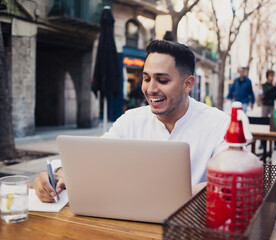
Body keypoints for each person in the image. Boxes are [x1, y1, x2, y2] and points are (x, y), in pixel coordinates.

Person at [34, 40, 231, 203]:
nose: (150, 89)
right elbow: (92, 155)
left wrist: (171, 197)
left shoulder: (219, 124)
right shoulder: (131, 120)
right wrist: (59, 174)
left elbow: (232, 180)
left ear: (188, 84)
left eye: (162, 80)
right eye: (146, 78)